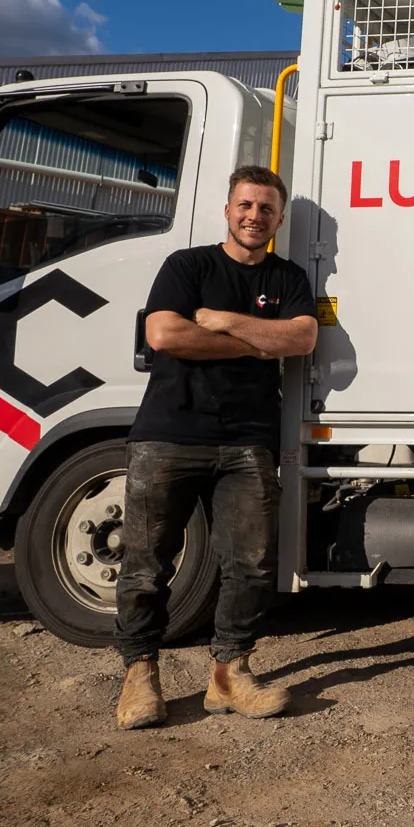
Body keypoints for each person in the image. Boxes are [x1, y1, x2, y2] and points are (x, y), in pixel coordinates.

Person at [114, 166, 318, 730]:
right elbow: (165, 335)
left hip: (249, 441)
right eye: (246, 205)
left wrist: (227, 323)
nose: (255, 216)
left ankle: (230, 675)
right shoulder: (188, 265)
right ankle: (140, 676)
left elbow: (301, 337)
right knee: (145, 565)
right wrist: (258, 342)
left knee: (250, 565)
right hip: (168, 435)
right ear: (227, 210)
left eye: (267, 209)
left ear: (279, 219)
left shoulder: (288, 275)